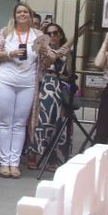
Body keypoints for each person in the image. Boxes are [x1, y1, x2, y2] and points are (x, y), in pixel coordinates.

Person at [0, 2, 55, 178]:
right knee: (5, 122)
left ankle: (14, 163)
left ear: (31, 16)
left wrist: (46, 53)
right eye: (19, 12)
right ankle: (4, 163)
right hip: (5, 80)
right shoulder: (5, 33)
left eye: (26, 12)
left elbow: (46, 60)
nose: (22, 14)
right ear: (14, 15)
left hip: (28, 83)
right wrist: (10, 54)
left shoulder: (38, 35)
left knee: (19, 124)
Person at [24, 22, 77, 171]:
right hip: (45, 85)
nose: (53, 36)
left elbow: (69, 72)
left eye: (56, 33)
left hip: (61, 86)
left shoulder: (68, 52)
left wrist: (68, 58)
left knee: (59, 121)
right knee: (42, 120)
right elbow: (49, 60)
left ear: (60, 35)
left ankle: (53, 156)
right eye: (50, 33)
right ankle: (33, 152)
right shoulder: (41, 49)